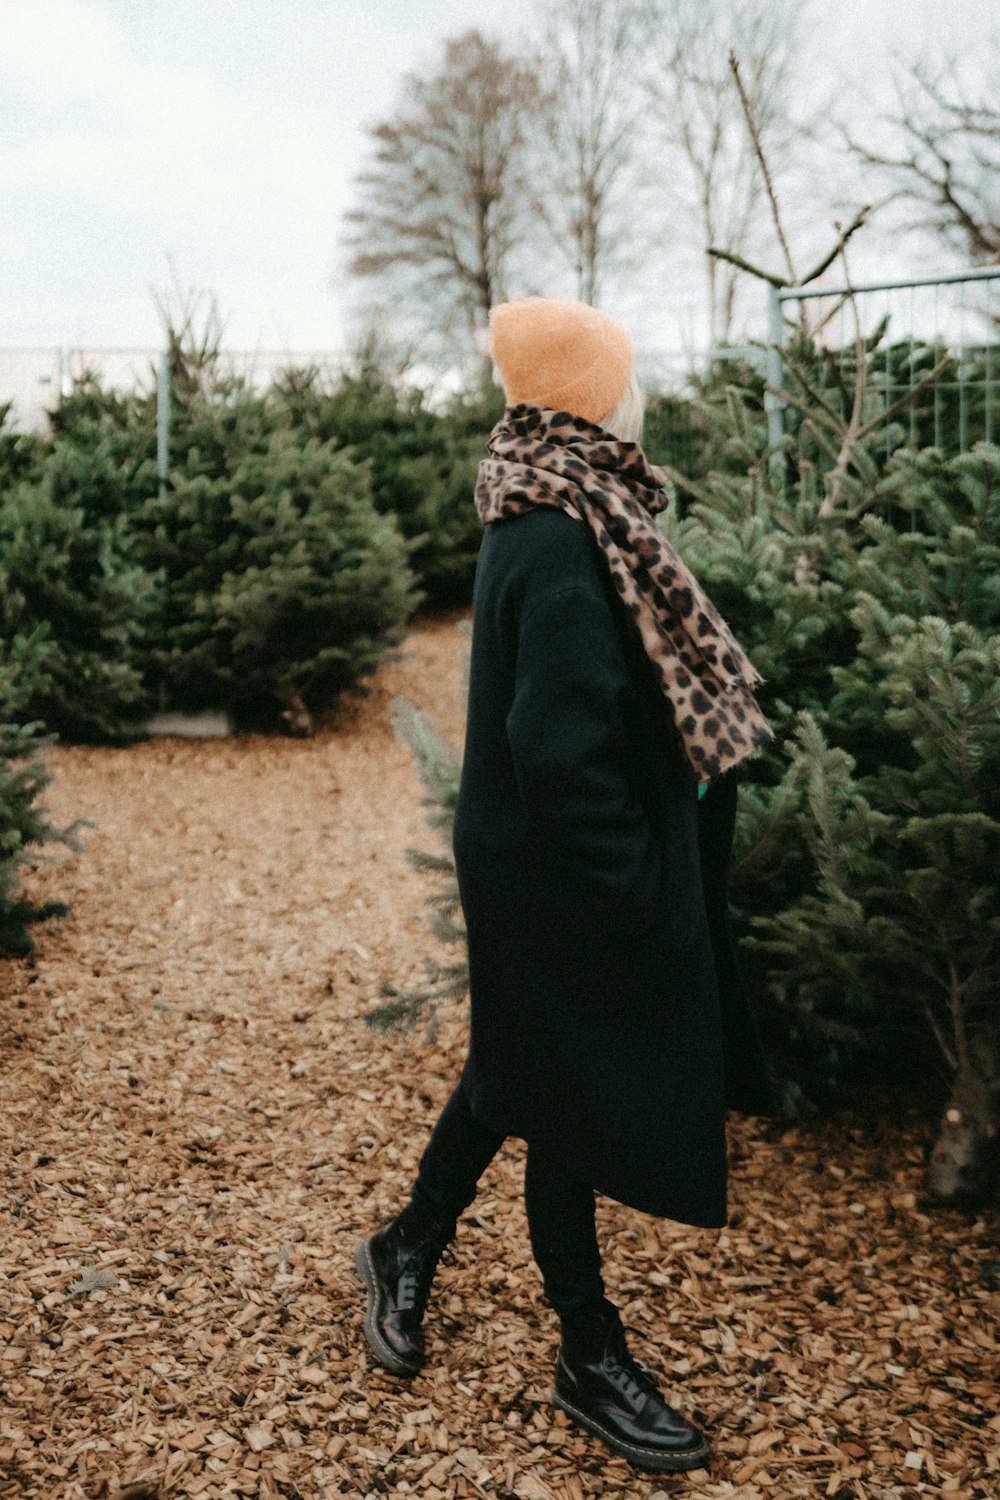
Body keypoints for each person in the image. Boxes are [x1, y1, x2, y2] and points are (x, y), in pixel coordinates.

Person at [356, 297, 773, 1474]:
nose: (637, 396)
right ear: (590, 398)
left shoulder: (546, 503)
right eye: (624, 379)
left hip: (520, 855)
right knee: (566, 1092)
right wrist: (635, 885)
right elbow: (556, 744)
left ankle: (407, 1243)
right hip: (559, 870)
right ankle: (589, 1353)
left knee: (523, 1067)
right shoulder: (567, 534)